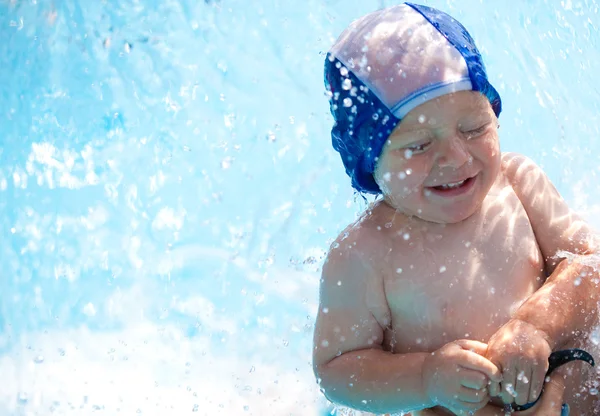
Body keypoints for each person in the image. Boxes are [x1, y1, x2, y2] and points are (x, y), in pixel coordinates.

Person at [312, 3, 600, 415]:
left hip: (568, 389)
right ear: (369, 160)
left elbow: (592, 265)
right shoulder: (363, 254)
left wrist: (537, 326)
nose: (456, 158)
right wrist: (426, 378)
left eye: (474, 128)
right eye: (419, 146)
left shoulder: (518, 182)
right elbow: (336, 372)